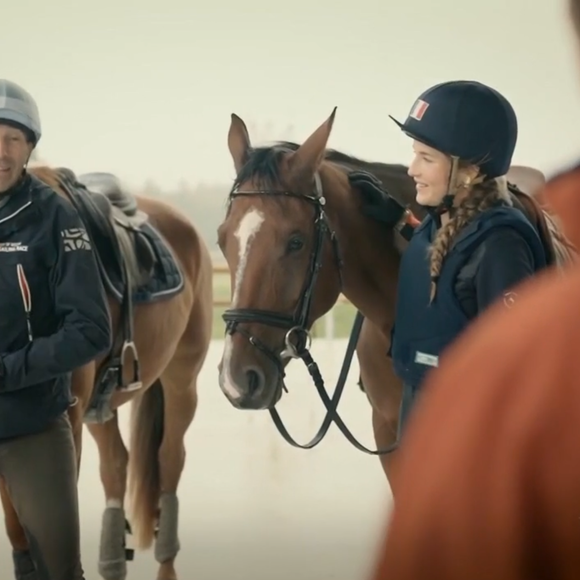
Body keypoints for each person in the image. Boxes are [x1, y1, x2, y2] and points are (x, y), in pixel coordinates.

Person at [362, 80, 552, 440]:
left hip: (470, 432)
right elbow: (445, 256)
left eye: (426, 158)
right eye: (414, 153)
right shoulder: (438, 222)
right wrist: (398, 221)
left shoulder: (501, 246)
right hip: (422, 410)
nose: (411, 170)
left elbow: (516, 370)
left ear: (469, 171)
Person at [0, 79, 111, 579]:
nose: (0, 151)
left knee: (57, 571)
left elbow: (90, 330)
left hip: (30, 425)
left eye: (12, 138)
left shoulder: (55, 217)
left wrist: (7, 372)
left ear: (29, 147)